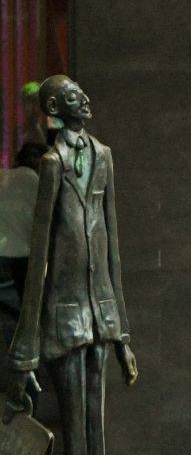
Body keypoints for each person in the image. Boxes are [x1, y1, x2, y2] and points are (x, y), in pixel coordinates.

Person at [5, 76, 139, 455]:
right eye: (70, 96)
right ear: (53, 110)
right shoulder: (51, 163)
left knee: (97, 425)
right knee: (74, 428)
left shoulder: (104, 156)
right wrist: (25, 352)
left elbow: (111, 246)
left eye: (80, 92)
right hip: (64, 314)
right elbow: (39, 258)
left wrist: (123, 336)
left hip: (101, 313)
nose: (82, 99)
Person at [0, 142, 47, 301]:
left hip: (4, 248)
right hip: (23, 253)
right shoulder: (32, 179)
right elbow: (44, 216)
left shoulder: (5, 176)